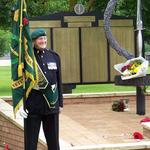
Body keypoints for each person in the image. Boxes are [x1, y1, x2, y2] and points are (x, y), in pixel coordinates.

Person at [19, 28, 63, 150]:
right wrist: (21, 104)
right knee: (31, 142)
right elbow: (20, 81)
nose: (43, 41)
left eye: (44, 38)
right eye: (40, 39)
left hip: (51, 105)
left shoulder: (54, 56)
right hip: (33, 105)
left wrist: (60, 104)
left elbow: (58, 81)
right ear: (34, 41)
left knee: (54, 142)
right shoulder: (28, 58)